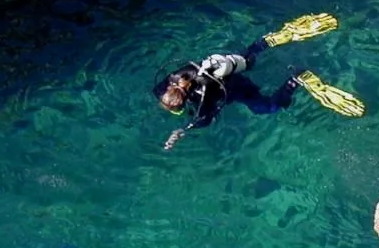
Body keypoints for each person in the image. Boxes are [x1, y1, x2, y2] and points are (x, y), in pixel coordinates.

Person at [152, 13, 366, 150]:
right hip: (222, 65)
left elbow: (204, 119)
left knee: (267, 107)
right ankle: (267, 41)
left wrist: (181, 131)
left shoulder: (201, 99)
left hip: (235, 87)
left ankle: (296, 80)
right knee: (247, 58)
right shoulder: (177, 76)